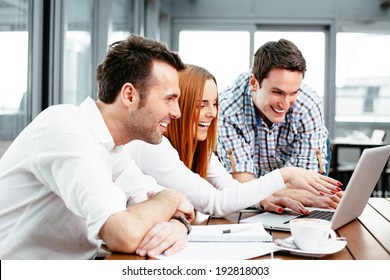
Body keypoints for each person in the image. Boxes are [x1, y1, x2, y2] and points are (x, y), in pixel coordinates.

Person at [0, 35, 195, 260]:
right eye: (169, 99)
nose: (177, 112)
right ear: (129, 95)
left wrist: (178, 223)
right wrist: (170, 199)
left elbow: (169, 202)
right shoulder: (66, 126)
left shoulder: (111, 146)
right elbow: (123, 233)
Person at [125, 64, 342, 217]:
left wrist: (263, 201)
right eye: (201, 105)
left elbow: (230, 187)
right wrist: (284, 175)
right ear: (177, 105)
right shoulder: (153, 145)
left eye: (215, 103)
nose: (212, 113)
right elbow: (216, 202)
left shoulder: (199, 146)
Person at [217, 39, 342, 209]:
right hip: (256, 173)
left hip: (281, 172)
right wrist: (302, 196)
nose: (285, 103)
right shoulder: (228, 107)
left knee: (312, 199)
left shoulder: (309, 104)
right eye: (277, 92)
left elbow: (306, 184)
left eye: (293, 93)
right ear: (254, 83)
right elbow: (242, 185)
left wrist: (257, 190)